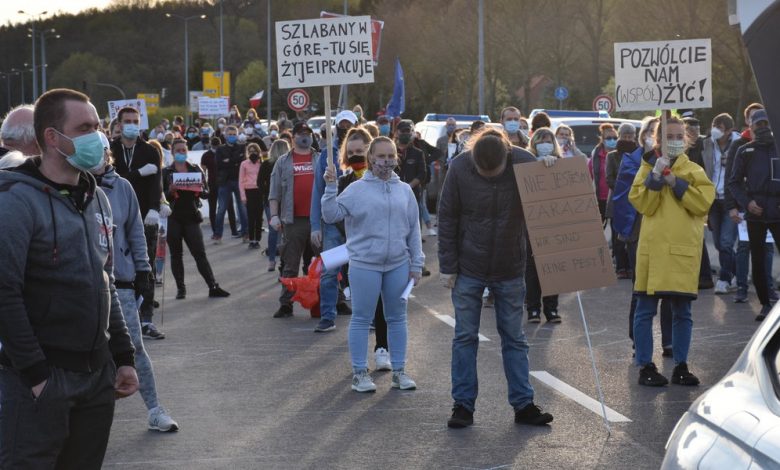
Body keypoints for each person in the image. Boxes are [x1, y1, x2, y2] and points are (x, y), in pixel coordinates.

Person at [0, 88, 139, 468]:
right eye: (85, 128)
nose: (97, 136)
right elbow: (5, 293)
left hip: (96, 379)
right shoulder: (15, 201)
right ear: (52, 137)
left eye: (97, 126)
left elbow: (105, 282)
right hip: (41, 380)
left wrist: (123, 358)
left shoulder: (98, 199)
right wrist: (37, 377)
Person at [438, 128, 554, 428]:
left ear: (507, 156)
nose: (489, 176)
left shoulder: (525, 162)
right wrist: (448, 266)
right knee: (465, 337)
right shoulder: (459, 167)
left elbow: (549, 205)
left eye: (495, 172)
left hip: (510, 265)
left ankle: (524, 405)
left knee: (514, 338)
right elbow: (447, 216)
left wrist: (550, 171)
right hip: (468, 266)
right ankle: (463, 406)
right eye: (482, 172)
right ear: (473, 159)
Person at [321, 135, 423, 392]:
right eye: (381, 156)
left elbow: (414, 229)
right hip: (364, 263)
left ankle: (399, 371)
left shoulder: (405, 191)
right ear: (370, 158)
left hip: (398, 263)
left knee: (397, 318)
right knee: (361, 317)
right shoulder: (356, 190)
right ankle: (359, 374)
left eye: (391, 156)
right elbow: (331, 215)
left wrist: (417, 263)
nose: (386, 161)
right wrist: (330, 188)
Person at [93, 136, 179, 432]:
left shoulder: (123, 188)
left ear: (108, 154)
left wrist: (143, 270)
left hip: (121, 282)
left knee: (134, 347)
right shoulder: (71, 187)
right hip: (83, 285)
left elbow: (135, 231)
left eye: (101, 150)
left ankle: (155, 409)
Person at [629, 115, 714, 387]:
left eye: (679, 137)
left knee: (682, 313)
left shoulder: (694, 170)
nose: (675, 141)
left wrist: (675, 182)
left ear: (686, 140)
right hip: (653, 252)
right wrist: (655, 177)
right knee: (645, 311)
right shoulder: (646, 167)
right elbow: (643, 204)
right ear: (658, 140)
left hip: (681, 252)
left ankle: (681, 365)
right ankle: (645, 365)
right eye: (669, 137)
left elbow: (703, 204)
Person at [612, 117, 674, 358]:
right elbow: (627, 195)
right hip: (639, 232)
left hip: (667, 232)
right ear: (643, 135)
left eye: (657, 131)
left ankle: (669, 341)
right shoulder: (632, 159)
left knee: (669, 287)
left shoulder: (677, 160)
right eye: (650, 131)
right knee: (641, 287)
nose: (653, 135)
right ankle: (638, 340)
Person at [111, 105, 165, 340]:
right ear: (119, 124)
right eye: (127, 121)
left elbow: (157, 181)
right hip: (116, 216)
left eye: (136, 121)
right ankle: (119, 318)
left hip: (144, 215)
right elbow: (113, 178)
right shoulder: (111, 149)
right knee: (115, 267)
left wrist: (154, 208)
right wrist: (139, 173)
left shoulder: (150, 150)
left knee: (146, 266)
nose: (132, 125)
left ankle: (146, 319)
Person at [729, 109, 780, 321]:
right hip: (755, 214)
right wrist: (747, 203)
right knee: (757, 260)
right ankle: (765, 304)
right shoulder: (745, 151)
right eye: (759, 124)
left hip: (777, 212)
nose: (763, 128)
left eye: (766, 123)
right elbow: (734, 182)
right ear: (751, 127)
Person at [163, 138, 230, 299]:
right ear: (172, 153)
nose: (181, 153)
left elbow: (206, 193)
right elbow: (161, 197)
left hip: (191, 217)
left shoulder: (195, 169)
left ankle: (212, 286)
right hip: (173, 218)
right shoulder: (166, 172)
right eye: (178, 150)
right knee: (176, 255)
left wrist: (200, 190)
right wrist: (170, 191)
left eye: (184, 150)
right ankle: (181, 289)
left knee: (199, 253)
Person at [309, 111, 358, 331]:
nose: (345, 128)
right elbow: (317, 191)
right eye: (342, 125)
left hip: (359, 222)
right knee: (330, 271)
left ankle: (368, 316)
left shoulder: (366, 152)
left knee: (363, 270)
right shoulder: (327, 155)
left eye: (349, 125)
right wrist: (315, 226)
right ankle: (328, 316)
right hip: (333, 224)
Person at [269, 121, 318, 318]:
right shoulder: (283, 161)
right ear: (293, 136)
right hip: (293, 221)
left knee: (323, 263)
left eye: (308, 133)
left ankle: (334, 300)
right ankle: (286, 304)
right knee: (290, 264)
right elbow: (274, 192)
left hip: (318, 220)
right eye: (301, 133)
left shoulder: (320, 158)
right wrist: (274, 215)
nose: (305, 136)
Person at [524, 127, 563, 323]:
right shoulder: (526, 163)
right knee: (532, 268)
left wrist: (555, 167)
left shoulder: (561, 163)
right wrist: (537, 166)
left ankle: (551, 308)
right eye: (540, 141)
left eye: (548, 141)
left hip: (554, 223)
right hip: (532, 222)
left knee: (553, 267)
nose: (544, 145)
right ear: (534, 143)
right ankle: (533, 309)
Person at [703, 113, 741, 294]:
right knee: (719, 244)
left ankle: (724, 280)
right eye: (714, 126)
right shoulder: (707, 144)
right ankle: (738, 274)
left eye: (720, 128)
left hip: (730, 201)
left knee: (726, 243)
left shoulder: (739, 145)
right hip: (712, 201)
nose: (715, 130)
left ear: (729, 130)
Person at [605, 122, 637, 279]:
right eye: (625, 136)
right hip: (617, 201)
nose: (628, 139)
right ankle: (620, 267)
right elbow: (609, 178)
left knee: (632, 236)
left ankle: (631, 266)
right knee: (618, 237)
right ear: (620, 136)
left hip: (634, 201)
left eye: (630, 136)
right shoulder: (612, 156)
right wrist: (622, 190)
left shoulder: (638, 154)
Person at [213, 125, 249, 243]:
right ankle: (218, 235)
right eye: (230, 134)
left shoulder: (242, 147)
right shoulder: (220, 149)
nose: (232, 136)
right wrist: (234, 161)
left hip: (239, 181)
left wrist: (229, 160)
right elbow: (219, 164)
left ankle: (246, 234)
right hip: (224, 182)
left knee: (242, 208)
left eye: (234, 134)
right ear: (225, 135)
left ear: (237, 135)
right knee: (221, 209)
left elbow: (243, 162)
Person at [258, 139, 289, 271]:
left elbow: (259, 183)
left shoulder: (266, 164)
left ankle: (271, 261)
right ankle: (285, 261)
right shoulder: (288, 164)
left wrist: (269, 193)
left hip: (270, 201)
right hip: (287, 201)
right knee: (286, 232)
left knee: (273, 231)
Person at [590, 123, 618, 223]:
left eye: (615, 138)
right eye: (609, 138)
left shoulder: (620, 155)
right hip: (600, 198)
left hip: (615, 197)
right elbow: (589, 176)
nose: (612, 140)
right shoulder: (596, 156)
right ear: (602, 139)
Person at [240, 142, 264, 249]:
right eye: (250, 151)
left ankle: (257, 239)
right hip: (249, 192)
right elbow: (240, 181)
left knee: (259, 217)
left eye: (254, 151)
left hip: (259, 192)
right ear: (247, 153)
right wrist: (243, 196)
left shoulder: (262, 163)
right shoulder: (244, 164)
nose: (252, 153)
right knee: (250, 217)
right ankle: (251, 239)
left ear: (258, 152)